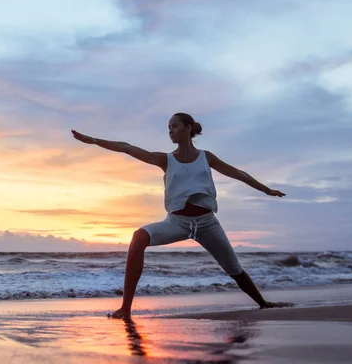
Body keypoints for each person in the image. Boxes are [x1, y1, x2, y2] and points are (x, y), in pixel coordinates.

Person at [71, 113, 292, 319]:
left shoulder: (207, 157)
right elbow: (127, 148)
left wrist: (266, 190)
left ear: (188, 128)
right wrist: (93, 140)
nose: (170, 130)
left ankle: (263, 302)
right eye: (168, 128)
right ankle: (125, 308)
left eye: (174, 126)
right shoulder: (166, 159)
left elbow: (239, 174)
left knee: (234, 269)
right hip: (177, 223)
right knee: (139, 237)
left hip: (207, 223)